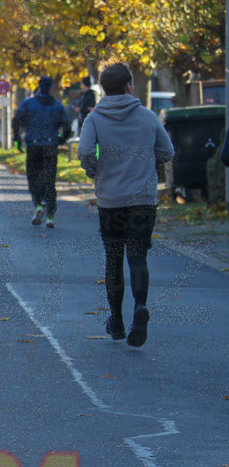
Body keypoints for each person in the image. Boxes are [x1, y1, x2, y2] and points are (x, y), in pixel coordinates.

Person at [77, 62, 174, 347]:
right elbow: (167, 151)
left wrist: (96, 170)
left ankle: (116, 321)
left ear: (104, 88)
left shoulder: (94, 119)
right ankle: (140, 307)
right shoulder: (147, 116)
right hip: (143, 199)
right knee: (138, 256)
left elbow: (84, 152)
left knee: (113, 258)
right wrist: (145, 166)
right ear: (129, 85)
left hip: (111, 200)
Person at [12, 76, 72, 228]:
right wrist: (61, 140)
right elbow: (67, 126)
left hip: (33, 145)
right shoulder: (58, 106)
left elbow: (16, 120)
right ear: (51, 87)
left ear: (38, 87)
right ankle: (50, 215)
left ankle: (38, 204)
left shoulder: (28, 103)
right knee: (50, 181)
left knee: (33, 178)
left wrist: (17, 138)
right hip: (50, 145)